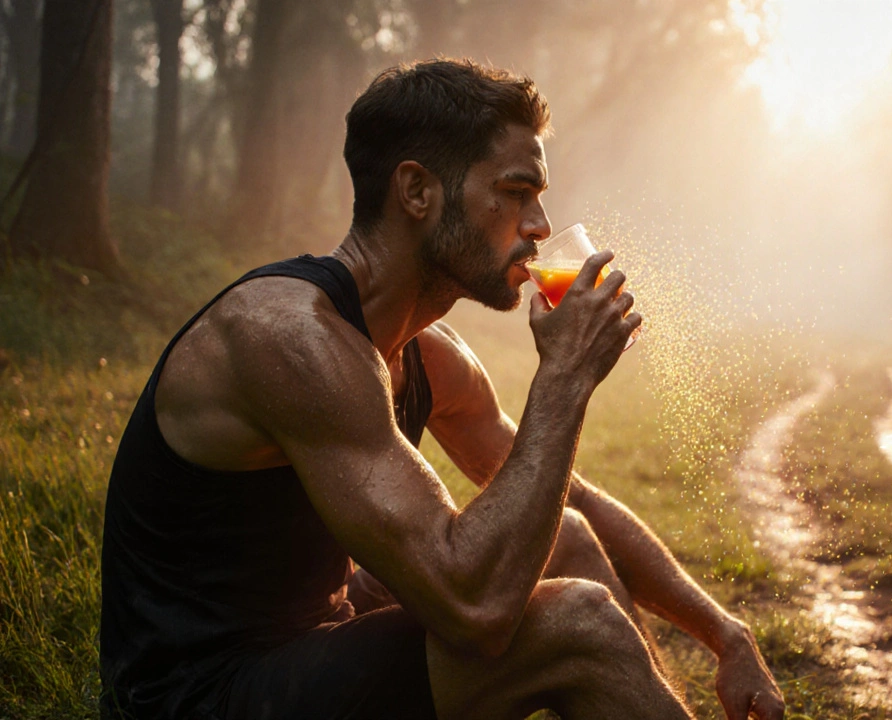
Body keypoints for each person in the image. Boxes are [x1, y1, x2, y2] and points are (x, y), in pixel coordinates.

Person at [99, 58, 785, 720]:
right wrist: (565, 378)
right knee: (579, 624)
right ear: (418, 191)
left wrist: (726, 633)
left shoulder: (424, 351)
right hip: (201, 695)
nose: (540, 226)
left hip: (310, 635)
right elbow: (473, 607)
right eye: (516, 192)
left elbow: (568, 496)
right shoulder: (292, 339)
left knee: (567, 537)